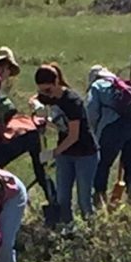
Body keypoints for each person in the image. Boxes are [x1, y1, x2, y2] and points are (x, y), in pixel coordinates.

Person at [34, 63, 98, 224]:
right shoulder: (48, 96)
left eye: (48, 90)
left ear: (57, 82)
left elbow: (73, 135)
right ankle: (67, 233)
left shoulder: (72, 101)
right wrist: (39, 112)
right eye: (41, 90)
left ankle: (92, 235)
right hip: (66, 155)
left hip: (85, 154)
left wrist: (53, 153)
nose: (45, 94)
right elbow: (58, 123)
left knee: (84, 200)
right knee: (63, 199)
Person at [87, 64, 131, 208]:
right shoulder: (124, 85)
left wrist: (93, 130)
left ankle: (99, 199)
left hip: (113, 128)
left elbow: (91, 111)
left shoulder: (97, 86)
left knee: (103, 163)